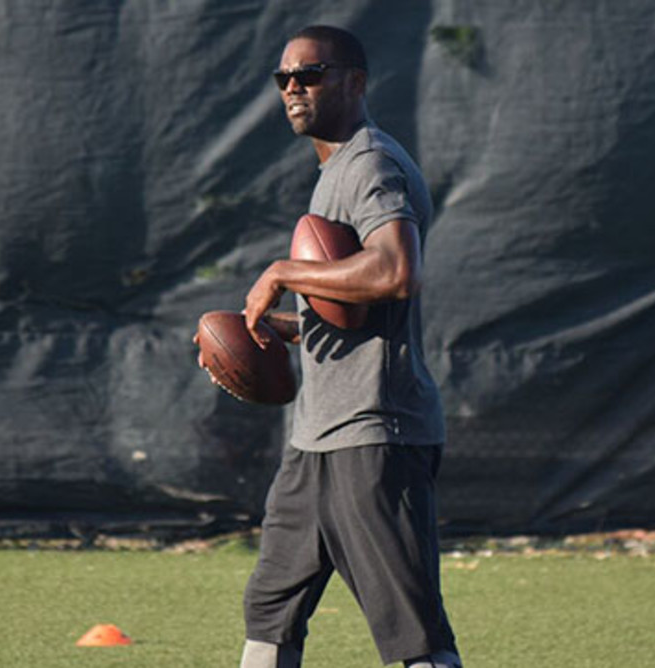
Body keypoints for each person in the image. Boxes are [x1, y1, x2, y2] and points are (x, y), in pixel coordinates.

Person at [231, 25, 461, 668]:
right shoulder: (334, 170)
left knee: (412, 634)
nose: (294, 88)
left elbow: (394, 271)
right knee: (270, 615)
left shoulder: (370, 164)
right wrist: (284, 327)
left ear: (355, 82)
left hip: (374, 434)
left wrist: (282, 273)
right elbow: (356, 310)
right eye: (284, 79)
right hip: (315, 441)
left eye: (310, 74)